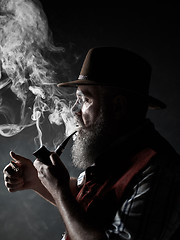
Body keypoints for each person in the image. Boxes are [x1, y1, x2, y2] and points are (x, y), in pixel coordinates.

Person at [3, 47, 180, 240]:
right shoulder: (116, 153)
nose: (75, 111)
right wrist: (36, 180)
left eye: (86, 99)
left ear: (118, 107)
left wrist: (60, 192)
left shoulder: (159, 170)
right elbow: (89, 203)